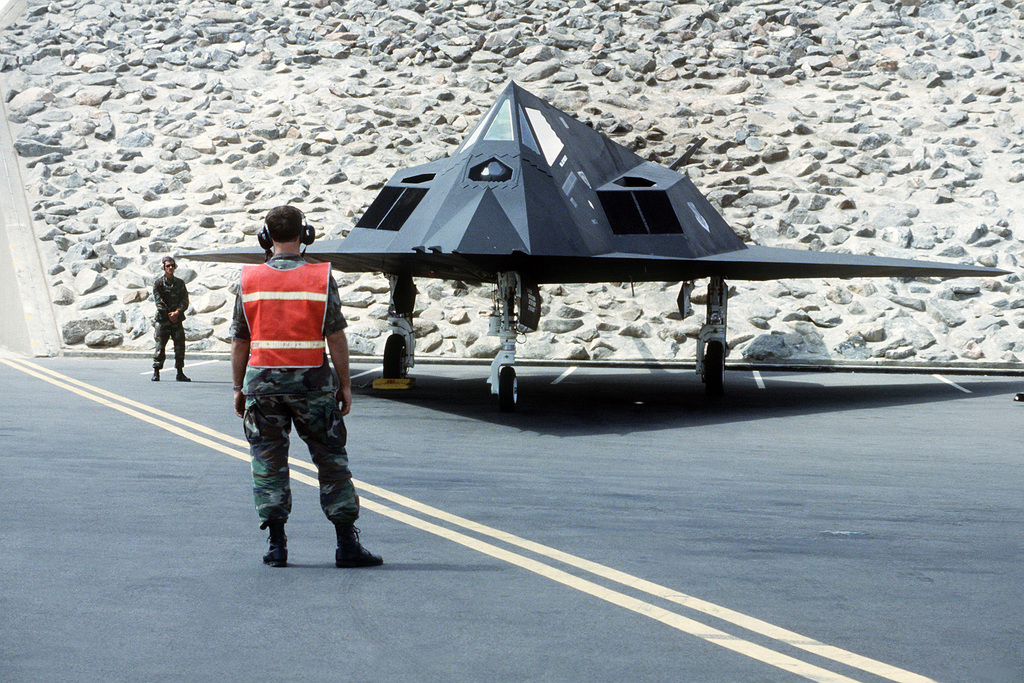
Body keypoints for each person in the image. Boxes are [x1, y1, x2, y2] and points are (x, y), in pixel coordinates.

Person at [230, 205, 382, 569]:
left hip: (263, 388)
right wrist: (345, 385)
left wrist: (238, 387)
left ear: (265, 238)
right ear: (306, 234)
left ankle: (277, 546)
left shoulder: (248, 279)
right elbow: (336, 336)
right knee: (331, 461)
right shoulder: (319, 277)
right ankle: (347, 544)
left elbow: (239, 341)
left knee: (267, 464)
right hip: (314, 387)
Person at [152, 256, 190, 382]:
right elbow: (159, 301)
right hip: (163, 320)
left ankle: (180, 372)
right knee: (160, 346)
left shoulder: (180, 283)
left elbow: (185, 300)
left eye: (172, 265)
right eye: (168, 265)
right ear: (164, 267)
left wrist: (178, 312)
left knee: (180, 346)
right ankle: (156, 371)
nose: (170, 268)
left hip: (177, 320)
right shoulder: (158, 283)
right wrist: (170, 315)